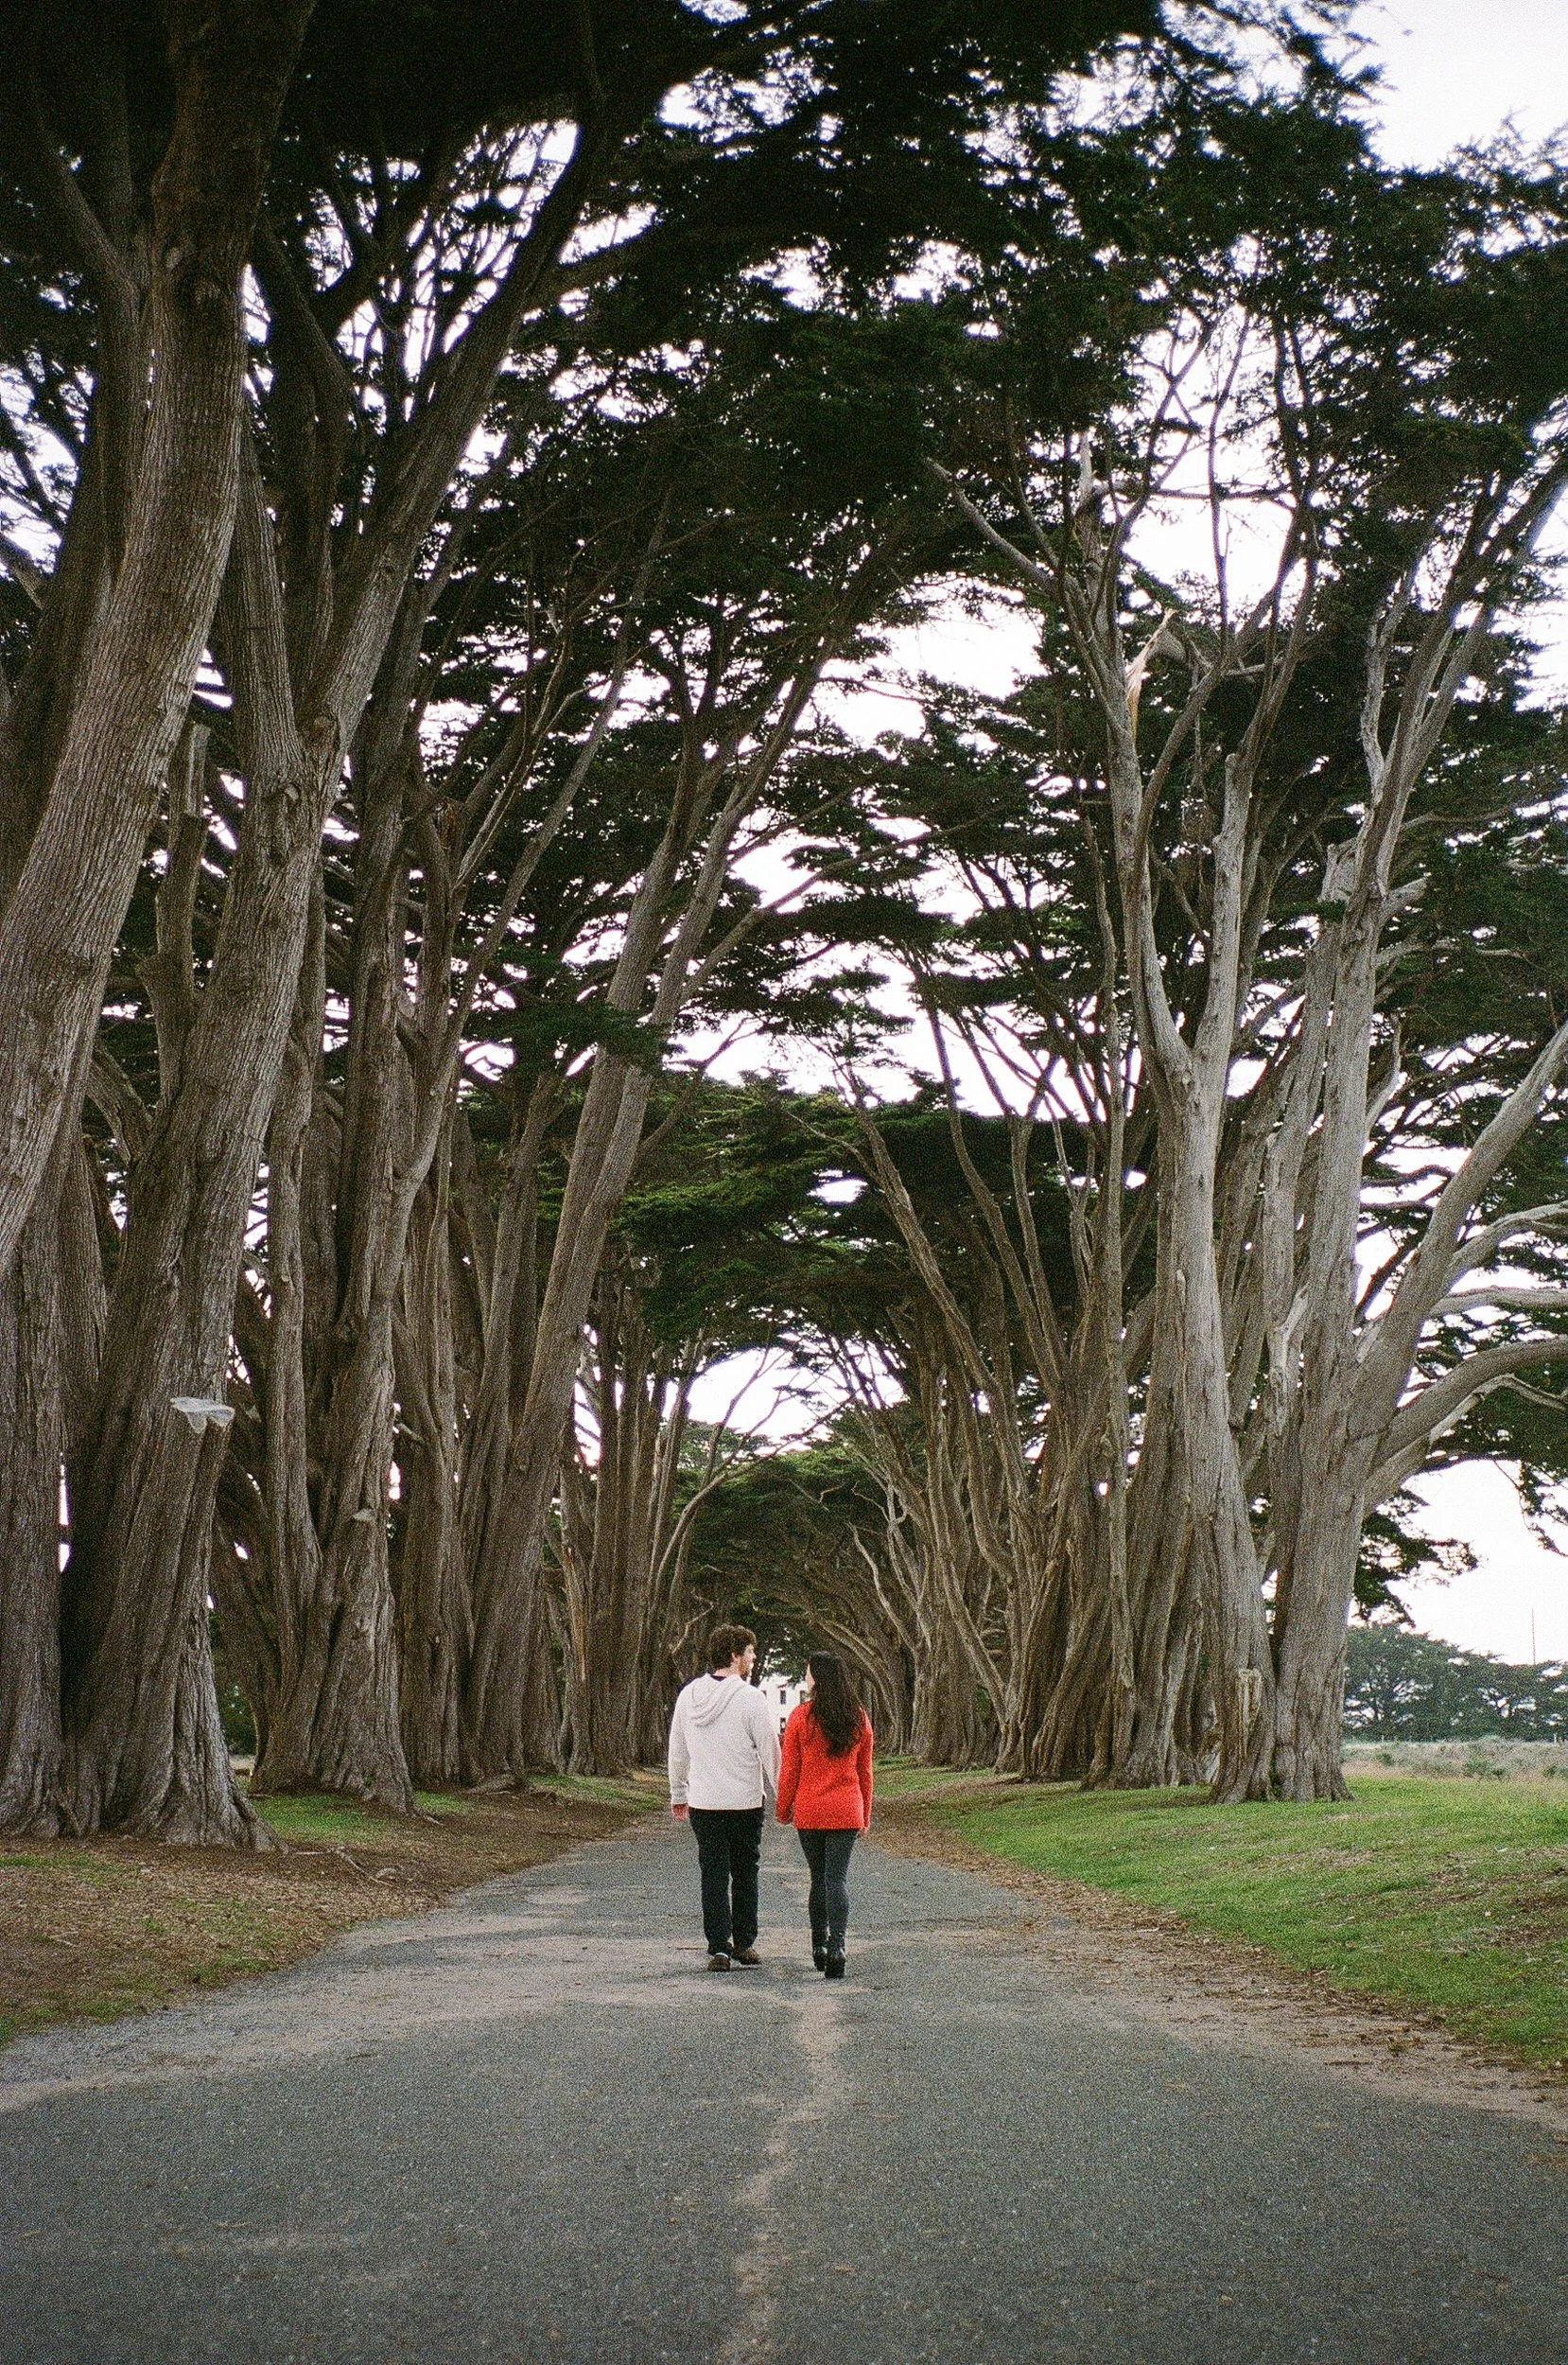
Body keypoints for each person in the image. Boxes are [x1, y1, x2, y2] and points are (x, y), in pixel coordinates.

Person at [667, 1623, 781, 1971]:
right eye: (749, 1651)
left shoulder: (689, 1696)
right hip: (745, 1801)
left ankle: (718, 1946)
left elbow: (678, 1749)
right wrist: (785, 1796)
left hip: (704, 1802)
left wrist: (678, 1792)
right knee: (746, 1871)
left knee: (713, 1873)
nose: (753, 1657)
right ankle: (744, 1942)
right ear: (734, 1656)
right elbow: (770, 1751)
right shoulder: (750, 1699)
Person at [775, 1652, 873, 1979]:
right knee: (837, 1879)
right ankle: (838, 1947)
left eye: (807, 1673)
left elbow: (790, 1770)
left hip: (811, 1810)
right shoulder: (858, 1717)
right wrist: (866, 1815)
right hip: (847, 1809)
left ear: (818, 1678)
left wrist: (782, 1808)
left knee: (818, 1878)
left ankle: (818, 1945)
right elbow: (865, 1772)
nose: (805, 1678)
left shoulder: (801, 1718)